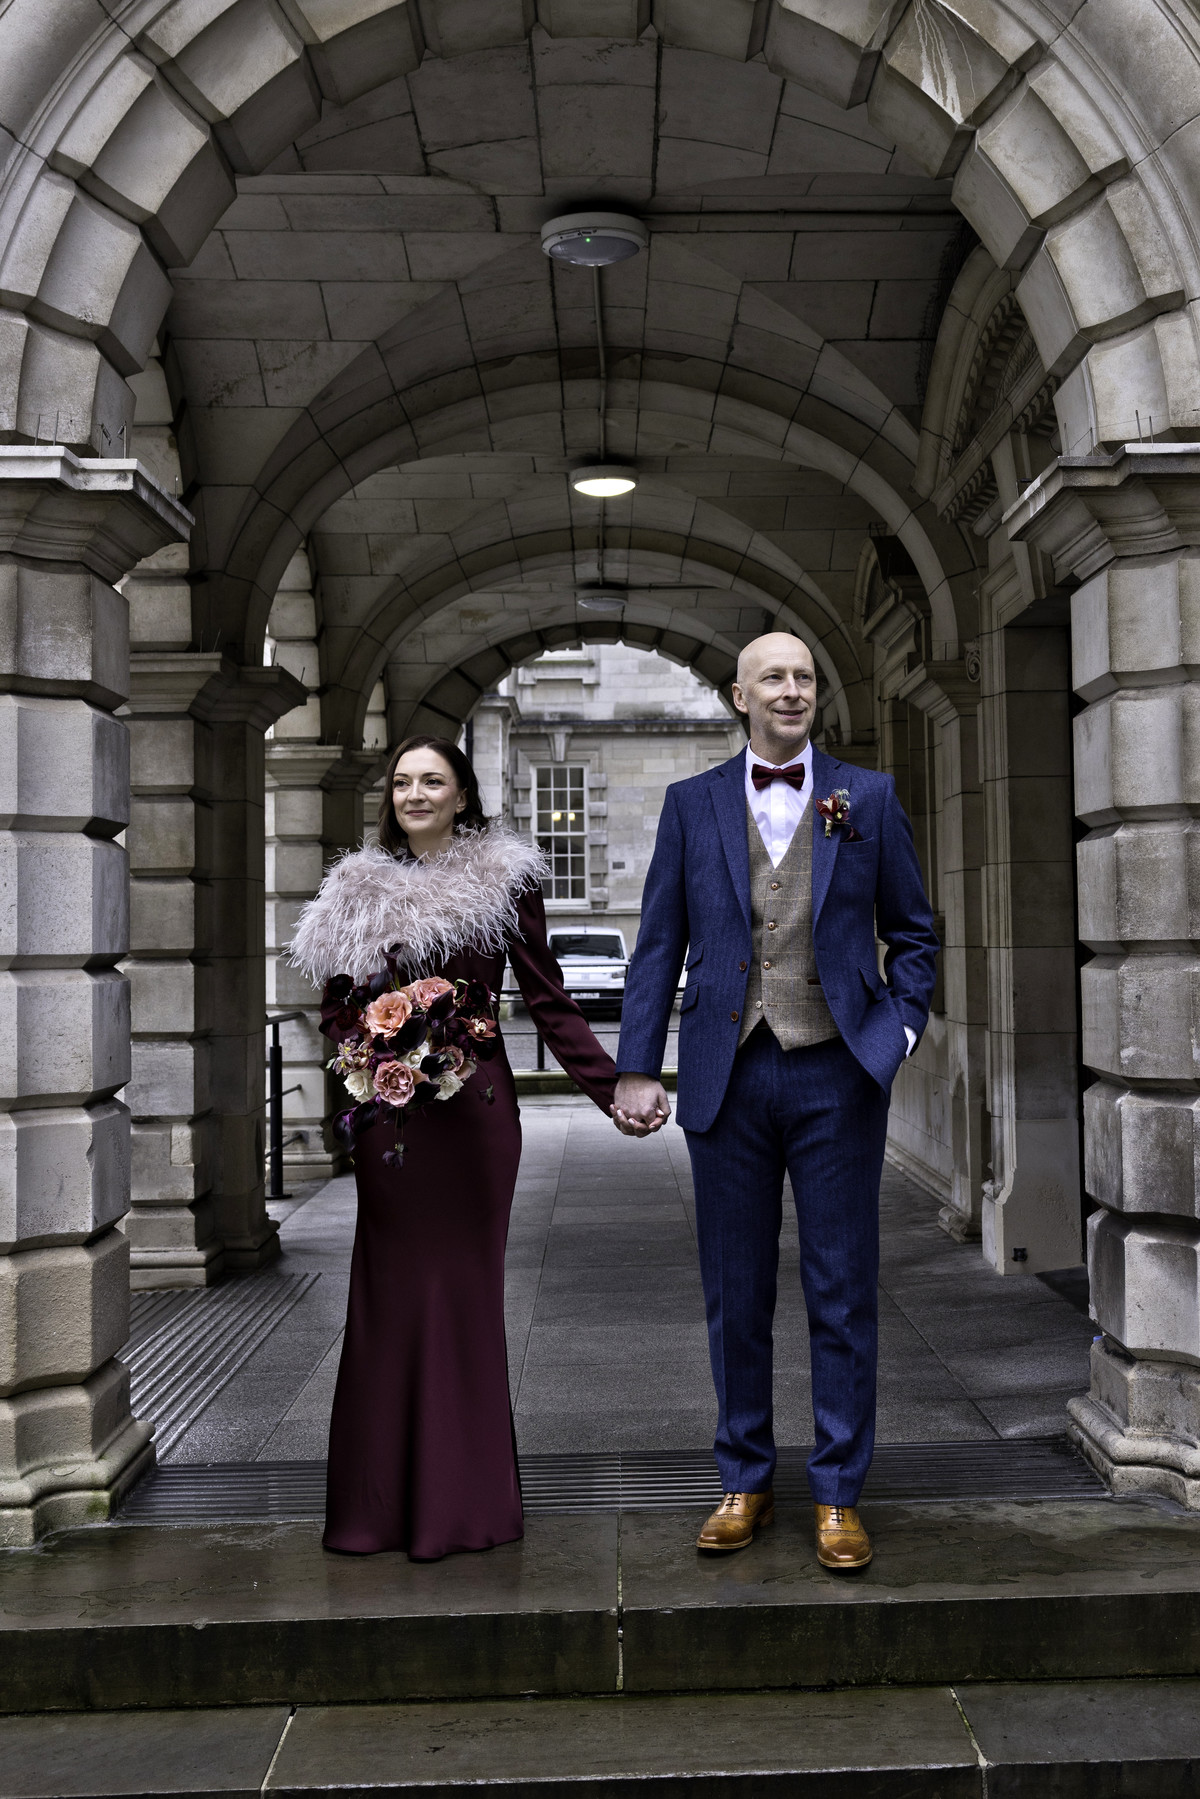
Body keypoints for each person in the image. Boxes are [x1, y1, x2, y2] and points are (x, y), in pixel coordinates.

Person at [611, 633, 938, 1570]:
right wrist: (637, 1065)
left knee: (842, 1289)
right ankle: (744, 1479)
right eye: (774, 678)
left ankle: (838, 1492)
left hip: (839, 1070)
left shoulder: (867, 795)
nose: (792, 690)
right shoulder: (691, 803)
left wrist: (894, 1035)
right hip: (729, 1071)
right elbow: (658, 943)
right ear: (740, 695)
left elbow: (914, 933)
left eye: (804, 677)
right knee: (735, 1292)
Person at [290, 736, 617, 1560]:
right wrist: (378, 1045)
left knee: (463, 1297)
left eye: (432, 780)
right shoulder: (356, 890)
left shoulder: (506, 880)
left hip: (474, 1115)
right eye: (402, 781)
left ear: (463, 795)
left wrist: (613, 1088)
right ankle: (377, 1510)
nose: (415, 793)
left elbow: (547, 996)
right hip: (392, 1121)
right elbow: (334, 1008)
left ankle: (463, 1506)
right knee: (388, 1300)